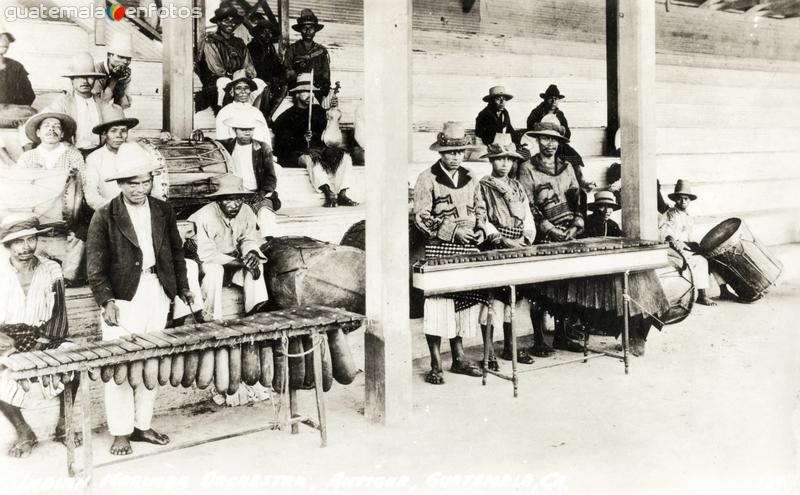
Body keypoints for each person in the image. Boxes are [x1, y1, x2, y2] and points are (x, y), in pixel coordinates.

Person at [86, 142, 195, 456]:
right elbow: (95, 264)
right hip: (123, 297)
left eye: (145, 182)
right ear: (120, 184)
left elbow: (176, 251)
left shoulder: (162, 209)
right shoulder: (105, 215)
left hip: (157, 290)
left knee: (151, 360)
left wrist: (182, 287)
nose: (140, 188)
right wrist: (106, 300)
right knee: (119, 365)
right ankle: (120, 431)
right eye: (132, 183)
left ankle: (142, 425)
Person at [0, 214, 81, 458]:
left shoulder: (51, 268)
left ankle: (64, 425)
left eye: (30, 239)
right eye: (18, 242)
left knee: (72, 360)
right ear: (7, 244)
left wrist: (42, 341)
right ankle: (24, 431)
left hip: (45, 334)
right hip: (7, 336)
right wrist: (5, 342)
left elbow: (59, 312)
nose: (25, 247)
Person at [413, 122, 488, 384]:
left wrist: (480, 230)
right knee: (438, 307)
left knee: (462, 305)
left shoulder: (471, 177)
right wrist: (452, 231)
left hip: (468, 248)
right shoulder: (427, 178)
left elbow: (480, 209)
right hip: (440, 247)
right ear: (440, 153)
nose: (456, 157)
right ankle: (435, 364)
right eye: (450, 153)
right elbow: (422, 217)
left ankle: (458, 357)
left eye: (460, 152)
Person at [515, 122, 585, 352]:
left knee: (565, 286)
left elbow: (577, 199)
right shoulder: (527, 168)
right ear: (537, 140)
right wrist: (549, 229)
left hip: (568, 234)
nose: (550, 144)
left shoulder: (567, 167)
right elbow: (528, 205)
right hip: (543, 236)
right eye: (545, 139)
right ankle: (539, 339)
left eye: (554, 139)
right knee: (541, 289)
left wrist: (575, 226)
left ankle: (562, 335)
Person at [475, 134, 538, 367]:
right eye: (499, 159)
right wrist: (500, 239)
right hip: (496, 246)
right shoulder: (483, 186)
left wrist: (526, 237)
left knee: (513, 300)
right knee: (493, 302)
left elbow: (527, 216)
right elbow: (481, 217)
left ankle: (510, 347)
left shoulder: (517, 186)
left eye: (508, 160)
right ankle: (488, 351)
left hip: (518, 244)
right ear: (491, 161)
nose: (504, 163)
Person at [187, 174, 269, 322]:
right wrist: (240, 262)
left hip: (234, 259)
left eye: (238, 198)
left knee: (257, 266)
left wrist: (251, 254)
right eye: (228, 199)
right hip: (204, 261)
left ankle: (253, 315)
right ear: (218, 201)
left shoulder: (246, 211)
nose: (235, 204)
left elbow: (248, 238)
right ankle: (210, 318)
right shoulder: (204, 216)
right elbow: (207, 254)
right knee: (215, 271)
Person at [273, 73, 357, 207]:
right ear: (296, 95)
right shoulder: (286, 117)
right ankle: (328, 192)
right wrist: (302, 139)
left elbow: (328, 132)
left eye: (311, 91)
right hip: (297, 153)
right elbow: (283, 143)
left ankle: (342, 193)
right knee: (312, 159)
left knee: (345, 157)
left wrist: (332, 111)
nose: (309, 95)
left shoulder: (318, 111)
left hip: (319, 149)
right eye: (305, 92)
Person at [659, 180, 732, 306]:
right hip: (674, 250)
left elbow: (690, 236)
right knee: (700, 260)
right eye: (680, 199)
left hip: (687, 248)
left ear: (689, 200)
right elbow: (667, 233)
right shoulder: (670, 214)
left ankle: (724, 289)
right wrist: (672, 241)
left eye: (686, 199)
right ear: (675, 200)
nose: (683, 202)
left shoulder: (688, 216)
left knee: (713, 257)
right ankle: (702, 295)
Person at [218, 114, 280, 235]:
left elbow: (271, 177)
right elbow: (210, 143)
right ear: (234, 130)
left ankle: (271, 242)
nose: (247, 132)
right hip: (235, 194)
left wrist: (261, 193)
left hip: (257, 193)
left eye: (250, 129)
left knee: (266, 215)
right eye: (243, 129)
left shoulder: (262, 148)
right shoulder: (227, 146)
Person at [34, 53, 106, 155]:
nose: (85, 81)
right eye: (79, 77)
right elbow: (41, 120)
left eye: (89, 77)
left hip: (98, 153)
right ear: (72, 80)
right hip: (71, 153)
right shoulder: (63, 102)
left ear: (95, 79)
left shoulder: (101, 103)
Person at [526, 84, 593, 191]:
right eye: (550, 99)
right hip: (539, 143)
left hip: (556, 143)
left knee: (573, 155)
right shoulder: (537, 112)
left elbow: (567, 134)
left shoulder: (560, 114)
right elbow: (529, 127)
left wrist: (559, 130)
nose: (553, 102)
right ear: (545, 99)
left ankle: (580, 181)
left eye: (556, 99)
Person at [195, 5, 258, 114]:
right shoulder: (210, 41)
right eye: (226, 21)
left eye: (233, 21)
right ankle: (225, 114)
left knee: (260, 83)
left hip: (240, 78)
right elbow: (217, 69)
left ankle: (253, 114)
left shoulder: (240, 43)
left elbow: (248, 66)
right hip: (216, 79)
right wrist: (237, 76)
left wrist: (247, 74)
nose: (231, 24)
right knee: (225, 83)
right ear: (218, 22)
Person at [83, 104, 139, 210]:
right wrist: (115, 210)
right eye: (113, 131)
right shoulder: (94, 158)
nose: (119, 135)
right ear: (104, 134)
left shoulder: (135, 154)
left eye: (123, 130)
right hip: (108, 211)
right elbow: (91, 195)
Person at [284, 9, 331, 104]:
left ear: (315, 31)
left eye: (311, 28)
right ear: (300, 30)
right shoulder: (292, 49)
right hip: (297, 91)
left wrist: (323, 90)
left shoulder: (321, 51)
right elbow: (287, 72)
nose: (308, 31)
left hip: (316, 91)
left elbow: (326, 74)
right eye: (305, 28)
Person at [247, 13, 287, 124]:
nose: (267, 35)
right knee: (266, 85)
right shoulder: (253, 46)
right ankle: (259, 116)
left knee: (284, 86)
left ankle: (268, 115)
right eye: (264, 32)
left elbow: (277, 66)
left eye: (269, 32)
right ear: (258, 33)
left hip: (270, 79)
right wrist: (270, 78)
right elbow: (255, 67)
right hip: (257, 79)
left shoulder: (270, 48)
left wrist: (282, 75)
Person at [215, 70, 270, 144]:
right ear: (232, 92)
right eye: (238, 88)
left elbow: (264, 138)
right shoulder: (225, 112)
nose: (243, 91)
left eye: (246, 88)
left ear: (250, 91)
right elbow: (222, 139)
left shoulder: (256, 113)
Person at [15, 112, 83, 172]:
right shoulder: (27, 157)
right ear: (38, 133)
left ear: (62, 134)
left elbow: (81, 183)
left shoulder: (74, 156)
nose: (51, 129)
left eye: (57, 126)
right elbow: (19, 183)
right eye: (46, 126)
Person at [0, 23, 36, 127]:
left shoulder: (16, 67)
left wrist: (12, 107)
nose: (3, 40)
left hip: (13, 113)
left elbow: (29, 95)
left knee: (32, 113)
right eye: (0, 37)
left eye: (6, 38)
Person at [472, 86, 515, 161]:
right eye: (498, 99)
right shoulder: (484, 115)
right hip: (486, 148)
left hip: (503, 146)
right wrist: (494, 146)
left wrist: (516, 143)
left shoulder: (505, 113)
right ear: (491, 101)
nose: (502, 102)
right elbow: (481, 134)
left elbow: (509, 129)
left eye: (504, 99)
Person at [93, 33, 133, 109]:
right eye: (121, 57)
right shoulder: (97, 70)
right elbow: (99, 104)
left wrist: (121, 84)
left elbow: (124, 105)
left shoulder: (124, 74)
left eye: (128, 58)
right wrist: (114, 79)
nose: (125, 61)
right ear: (109, 55)